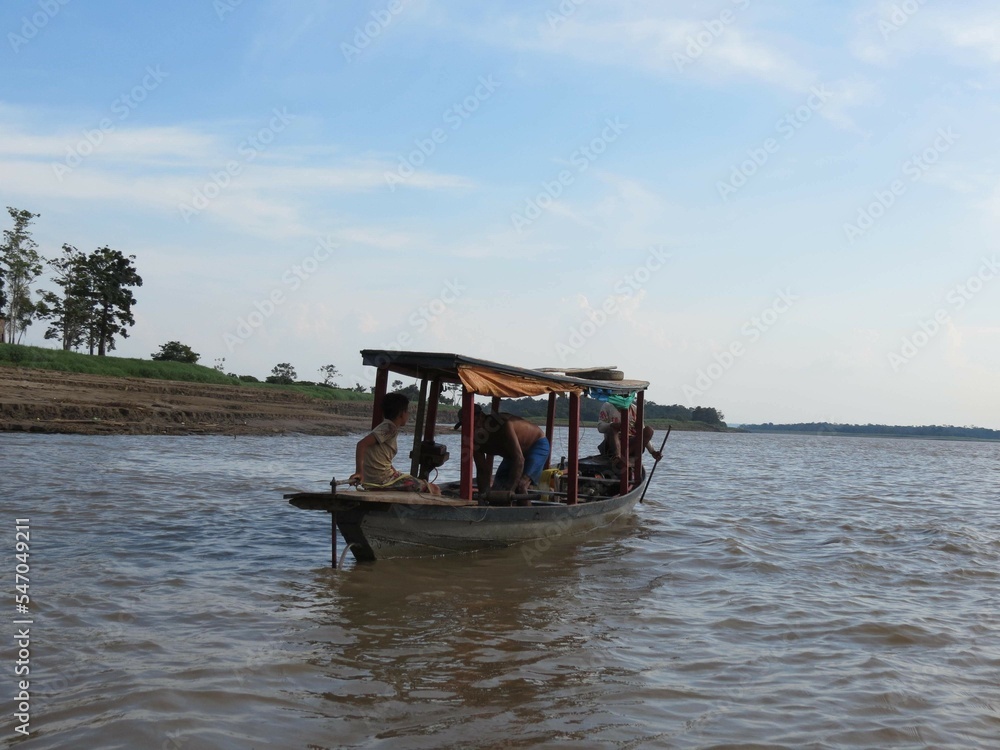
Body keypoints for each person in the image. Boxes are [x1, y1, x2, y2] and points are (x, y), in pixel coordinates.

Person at [349, 392, 441, 495]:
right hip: (382, 480)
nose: (408, 415)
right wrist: (359, 472)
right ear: (401, 414)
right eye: (407, 411)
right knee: (435, 489)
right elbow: (361, 444)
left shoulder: (386, 427)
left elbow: (380, 457)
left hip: (377, 479)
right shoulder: (389, 428)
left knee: (411, 479)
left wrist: (395, 472)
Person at [466, 406, 550, 496]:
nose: (473, 427)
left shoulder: (502, 424)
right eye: (467, 425)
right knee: (497, 487)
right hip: (512, 455)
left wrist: (510, 491)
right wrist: (483, 496)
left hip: (536, 445)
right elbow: (482, 470)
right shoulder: (475, 440)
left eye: (474, 422)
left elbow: (519, 459)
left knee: (521, 486)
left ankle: (526, 504)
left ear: (481, 416)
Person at [597, 400, 662, 471]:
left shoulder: (635, 409)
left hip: (631, 443)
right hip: (612, 443)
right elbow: (600, 427)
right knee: (613, 428)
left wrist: (652, 452)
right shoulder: (608, 406)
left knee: (649, 430)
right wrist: (612, 425)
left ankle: (623, 458)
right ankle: (617, 457)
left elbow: (642, 433)